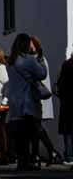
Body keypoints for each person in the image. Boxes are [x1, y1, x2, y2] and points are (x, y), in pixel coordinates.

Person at [4, 33, 48, 171]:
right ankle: (27, 161)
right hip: (26, 100)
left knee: (19, 133)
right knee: (28, 133)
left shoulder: (10, 62)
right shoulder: (28, 60)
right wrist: (40, 59)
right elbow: (42, 74)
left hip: (15, 101)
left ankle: (22, 161)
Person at [32, 36, 61, 165]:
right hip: (35, 99)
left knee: (37, 127)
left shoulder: (39, 59)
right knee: (35, 127)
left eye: (31, 45)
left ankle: (52, 152)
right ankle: (37, 155)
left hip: (39, 98)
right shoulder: (36, 59)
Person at [56, 47, 73, 165]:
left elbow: (60, 84)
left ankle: (69, 155)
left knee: (68, 131)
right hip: (68, 101)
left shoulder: (66, 65)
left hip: (67, 102)